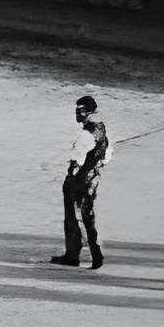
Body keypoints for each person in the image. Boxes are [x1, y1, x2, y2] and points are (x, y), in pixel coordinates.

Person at [53, 95, 109, 268]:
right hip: (93, 178)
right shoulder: (100, 128)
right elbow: (106, 153)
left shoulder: (86, 134)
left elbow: (77, 158)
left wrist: (71, 175)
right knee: (87, 216)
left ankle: (72, 255)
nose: (78, 114)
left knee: (72, 217)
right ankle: (96, 254)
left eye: (81, 110)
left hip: (79, 180)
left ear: (89, 111)